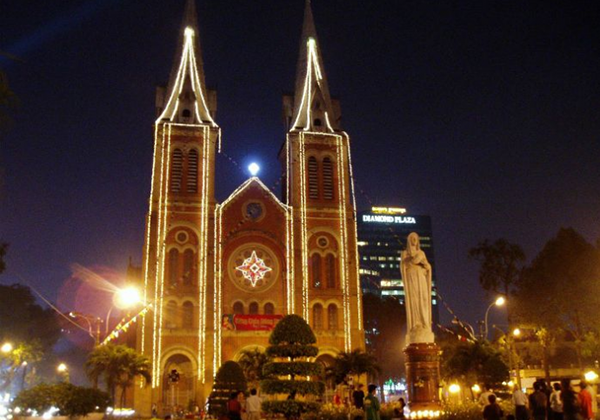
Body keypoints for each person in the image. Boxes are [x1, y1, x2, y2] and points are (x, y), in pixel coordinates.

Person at [401, 232, 434, 344]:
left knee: (423, 300)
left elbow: (427, 266)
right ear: (409, 240)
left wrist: (427, 266)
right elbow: (404, 264)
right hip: (412, 279)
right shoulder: (405, 253)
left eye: (416, 238)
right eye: (412, 238)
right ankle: (416, 324)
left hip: (421, 278)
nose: (414, 240)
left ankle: (425, 324)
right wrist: (414, 260)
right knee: (414, 300)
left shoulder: (422, 253)